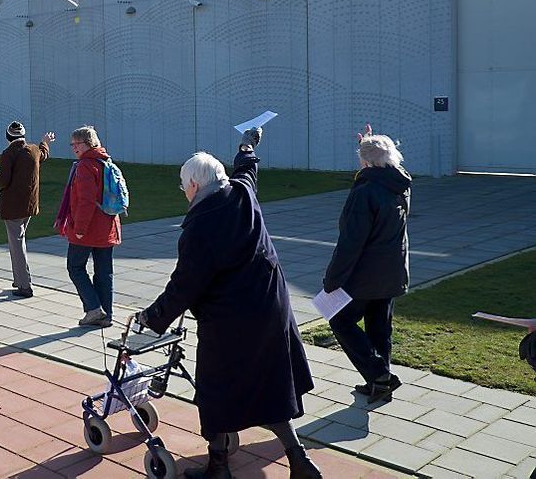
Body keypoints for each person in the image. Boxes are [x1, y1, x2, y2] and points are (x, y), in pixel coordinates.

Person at [135, 129, 321, 479]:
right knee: (270, 385)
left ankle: (218, 468)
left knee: (215, 391)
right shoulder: (242, 192)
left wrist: (152, 316)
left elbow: (184, 286)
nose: (184, 195)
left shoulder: (200, 228)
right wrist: (248, 144)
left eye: (183, 188)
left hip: (230, 323)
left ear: (193, 186)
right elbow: (247, 167)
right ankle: (299, 460)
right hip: (270, 308)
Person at [324, 124, 412, 403]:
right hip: (392, 270)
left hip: (366, 273)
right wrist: (371, 145)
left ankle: (379, 375)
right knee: (379, 328)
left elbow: (351, 242)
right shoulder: (400, 183)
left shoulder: (365, 192)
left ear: (365, 161)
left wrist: (332, 280)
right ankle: (380, 383)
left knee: (340, 319)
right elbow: (380, 161)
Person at [55, 125, 121, 327]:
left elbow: (86, 200)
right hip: (107, 226)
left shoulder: (85, 166)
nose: (74, 147)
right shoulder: (105, 161)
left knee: (75, 267)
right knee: (103, 271)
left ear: (89, 143)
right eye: (72, 144)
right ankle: (106, 314)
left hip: (88, 228)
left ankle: (93, 309)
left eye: (78, 143)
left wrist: (80, 228)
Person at [0, 121, 54, 298]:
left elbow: (3, 180)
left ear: (8, 137)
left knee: (17, 244)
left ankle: (25, 285)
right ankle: (19, 279)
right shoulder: (33, 150)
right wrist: (45, 141)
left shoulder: (8, 154)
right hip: (29, 204)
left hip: (13, 206)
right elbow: (43, 154)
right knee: (17, 242)